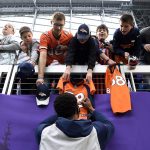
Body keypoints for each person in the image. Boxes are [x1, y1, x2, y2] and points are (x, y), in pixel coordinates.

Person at [36, 93, 114, 150]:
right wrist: (91, 109)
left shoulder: (43, 132)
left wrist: (62, 111)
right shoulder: (96, 132)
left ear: (57, 112)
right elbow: (108, 125)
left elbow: (43, 123)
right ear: (77, 110)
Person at [36, 12, 73, 86]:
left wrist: (66, 47)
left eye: (61, 25)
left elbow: (74, 50)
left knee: (58, 92)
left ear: (64, 23)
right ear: (51, 22)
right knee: (43, 89)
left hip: (61, 69)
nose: (58, 28)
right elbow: (43, 55)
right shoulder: (45, 36)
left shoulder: (69, 36)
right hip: (47, 68)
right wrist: (40, 77)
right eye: (56, 24)